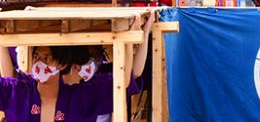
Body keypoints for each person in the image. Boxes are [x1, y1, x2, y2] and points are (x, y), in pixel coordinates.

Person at [0, 12, 153, 122]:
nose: (40, 63)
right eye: (36, 57)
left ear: (62, 65)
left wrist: (139, 35)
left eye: (47, 58)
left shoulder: (80, 98)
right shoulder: (18, 92)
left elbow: (125, 79)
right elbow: (7, 74)